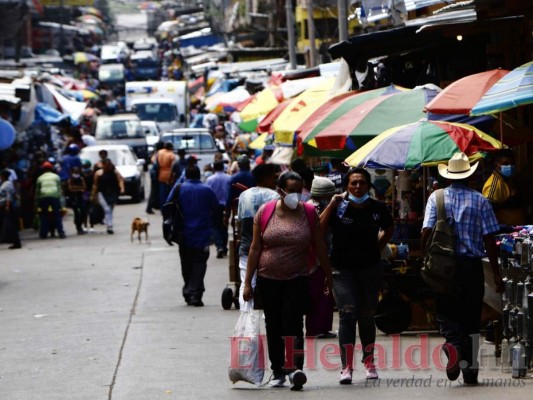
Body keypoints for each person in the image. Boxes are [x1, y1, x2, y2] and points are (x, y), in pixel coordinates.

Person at [242, 171, 332, 391]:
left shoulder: (309, 213)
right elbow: (255, 248)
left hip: (297, 278)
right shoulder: (265, 212)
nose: (296, 195)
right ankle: (278, 370)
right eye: (290, 191)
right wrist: (247, 282)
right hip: (268, 278)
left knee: (293, 325)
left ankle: (294, 370)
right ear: (280, 191)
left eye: (299, 191)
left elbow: (319, 245)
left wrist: (329, 275)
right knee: (274, 325)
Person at [421, 152, 503, 386]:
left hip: (442, 266)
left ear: (448, 175)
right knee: (471, 318)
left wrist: (426, 260)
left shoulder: (436, 198)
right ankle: (470, 371)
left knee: (446, 313)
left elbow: (426, 232)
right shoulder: (480, 200)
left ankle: (453, 346)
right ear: (471, 174)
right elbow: (490, 240)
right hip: (471, 267)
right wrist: (496, 273)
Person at [319, 167, 394, 384]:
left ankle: (369, 361)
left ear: (368, 185)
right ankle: (346, 367)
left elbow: (389, 228)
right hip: (341, 270)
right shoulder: (338, 208)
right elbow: (319, 230)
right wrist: (332, 204)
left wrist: (378, 247)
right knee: (348, 313)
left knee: (367, 315)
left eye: (362, 183)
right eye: (353, 183)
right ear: (346, 186)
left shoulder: (377, 208)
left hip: (369, 268)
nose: (358, 187)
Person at [167, 166, 218, 307]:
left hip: (183, 234)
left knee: (186, 263)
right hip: (203, 235)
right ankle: (194, 293)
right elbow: (216, 209)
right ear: (199, 175)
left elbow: (167, 205)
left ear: (186, 176)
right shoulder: (207, 190)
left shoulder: (179, 188)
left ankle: (190, 290)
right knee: (200, 264)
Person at [236, 163, 279, 309]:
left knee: (246, 283)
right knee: (270, 287)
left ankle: (247, 325)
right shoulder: (274, 196)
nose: (275, 179)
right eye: (274, 176)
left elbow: (240, 223)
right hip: (269, 249)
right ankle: (270, 321)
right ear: (266, 178)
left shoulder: (244, 195)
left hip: (246, 247)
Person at [305, 176, 336, 339]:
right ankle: (315, 328)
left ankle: (321, 327)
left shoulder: (312, 206)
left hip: (321, 254)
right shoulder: (314, 208)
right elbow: (320, 230)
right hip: (316, 257)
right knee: (319, 293)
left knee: (323, 294)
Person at [482, 149, 527, 226]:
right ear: (497, 166)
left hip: (517, 230)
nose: (509, 166)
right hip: (505, 232)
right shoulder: (493, 185)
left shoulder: (509, 180)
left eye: (512, 163)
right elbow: (488, 214)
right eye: (505, 164)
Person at [91, 159, 125, 234]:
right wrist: (93, 195)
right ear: (103, 165)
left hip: (112, 193)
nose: (108, 167)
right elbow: (95, 185)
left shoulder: (115, 172)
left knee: (110, 209)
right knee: (107, 209)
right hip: (102, 193)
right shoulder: (98, 174)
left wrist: (122, 188)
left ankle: (108, 222)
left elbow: (120, 180)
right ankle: (110, 226)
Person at [206, 161, 232, 258]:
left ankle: (220, 246)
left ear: (214, 168)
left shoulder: (210, 179)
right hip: (226, 206)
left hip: (214, 206)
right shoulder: (229, 178)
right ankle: (223, 247)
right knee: (224, 226)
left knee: (214, 226)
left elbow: (207, 193)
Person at [35, 161, 66, 239]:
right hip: (54, 197)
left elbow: (37, 191)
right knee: (57, 215)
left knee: (44, 216)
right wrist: (60, 200)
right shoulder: (56, 177)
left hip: (43, 197)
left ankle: (43, 234)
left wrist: (37, 202)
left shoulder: (40, 178)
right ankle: (61, 232)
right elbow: (59, 189)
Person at [224, 155, 256, 226]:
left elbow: (230, 196)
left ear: (238, 165)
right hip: (253, 206)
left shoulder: (233, 178)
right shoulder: (254, 177)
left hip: (237, 206)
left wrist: (227, 214)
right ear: (248, 164)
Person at [0, 169, 21, 249]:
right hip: (4, 206)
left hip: (7, 206)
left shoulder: (7, 184)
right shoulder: (4, 184)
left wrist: (7, 206)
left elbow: (8, 196)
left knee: (11, 225)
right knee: (8, 224)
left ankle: (16, 243)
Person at [67, 166, 87, 235]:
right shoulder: (70, 179)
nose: (76, 173)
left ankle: (80, 225)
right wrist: (79, 188)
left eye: (77, 172)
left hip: (80, 198)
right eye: (75, 172)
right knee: (77, 213)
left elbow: (84, 187)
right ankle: (78, 228)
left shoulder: (81, 179)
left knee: (83, 212)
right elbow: (70, 188)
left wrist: (76, 188)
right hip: (74, 198)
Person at [156, 142, 177, 209]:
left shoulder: (159, 152)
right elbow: (173, 167)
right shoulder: (171, 155)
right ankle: (169, 208)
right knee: (170, 194)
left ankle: (162, 208)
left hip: (161, 174)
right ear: (170, 148)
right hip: (169, 175)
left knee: (162, 194)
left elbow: (154, 161)